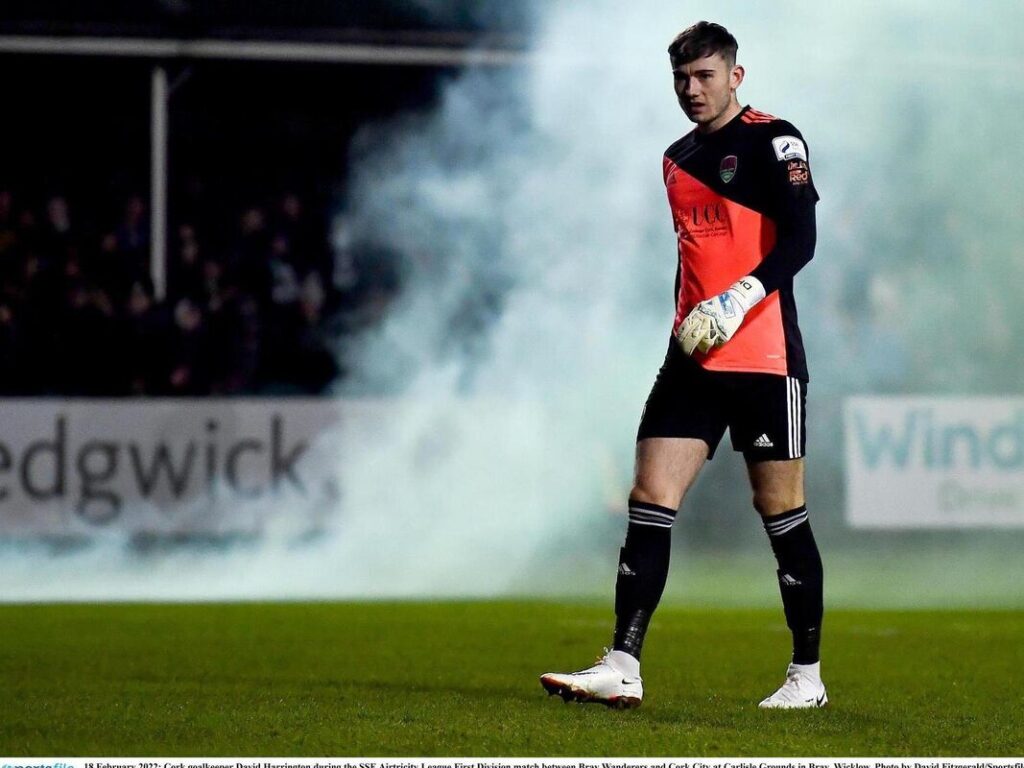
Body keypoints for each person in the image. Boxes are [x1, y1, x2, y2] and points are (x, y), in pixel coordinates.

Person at [540, 21, 825, 710]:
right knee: (649, 499)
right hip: (693, 356)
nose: (692, 90)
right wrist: (692, 320)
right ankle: (623, 663)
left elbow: (803, 238)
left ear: (736, 75)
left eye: (705, 76)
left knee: (778, 508)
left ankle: (806, 676)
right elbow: (693, 261)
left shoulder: (774, 139)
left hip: (764, 356)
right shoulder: (674, 158)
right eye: (682, 79)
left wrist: (741, 298)